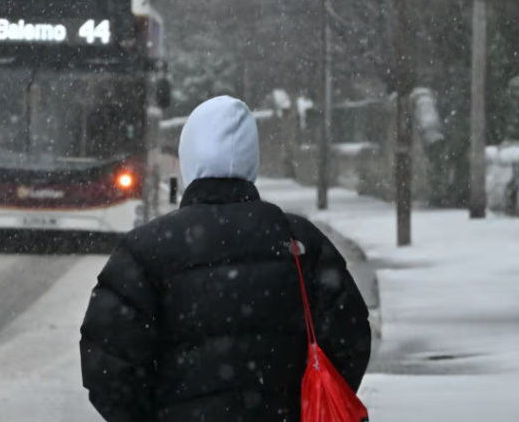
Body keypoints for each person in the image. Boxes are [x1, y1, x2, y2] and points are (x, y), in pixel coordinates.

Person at [79, 96, 371, 422]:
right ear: (252, 160)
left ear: (188, 157)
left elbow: (107, 365)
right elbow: (350, 340)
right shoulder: (300, 241)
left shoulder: (146, 249)